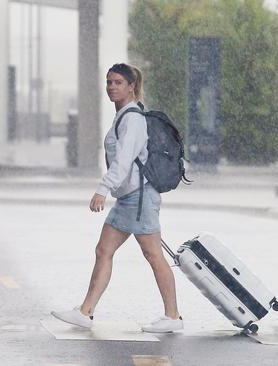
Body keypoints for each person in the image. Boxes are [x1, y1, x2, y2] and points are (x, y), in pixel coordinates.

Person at [51, 63, 183, 333]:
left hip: (140, 197)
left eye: (118, 82)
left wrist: (102, 188)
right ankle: (85, 312)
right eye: (109, 82)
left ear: (131, 86)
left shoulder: (132, 118)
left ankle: (173, 317)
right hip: (129, 198)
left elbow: (123, 160)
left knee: (153, 254)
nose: (112, 87)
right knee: (104, 250)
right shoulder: (123, 115)